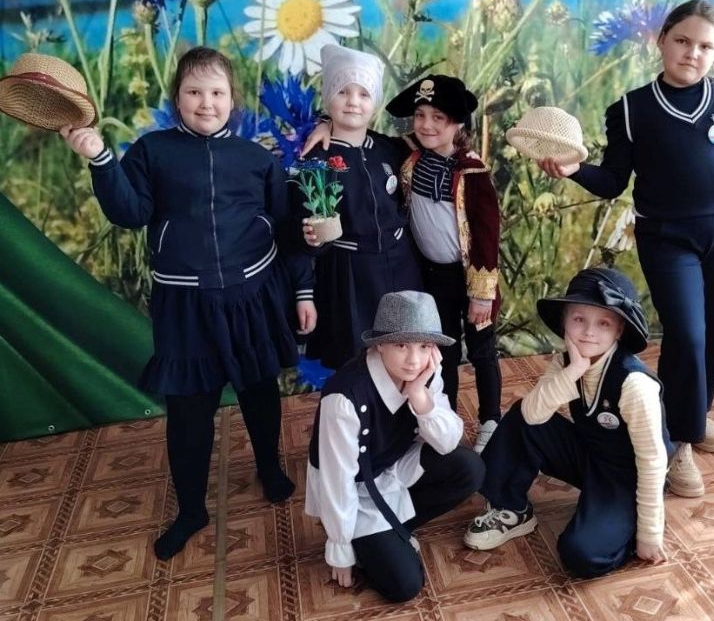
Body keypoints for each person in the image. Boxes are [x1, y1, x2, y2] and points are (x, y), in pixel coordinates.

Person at [61, 47, 317, 560]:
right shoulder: (152, 151)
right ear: (177, 97)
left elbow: (288, 231)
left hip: (251, 297)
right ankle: (192, 510)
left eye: (217, 92)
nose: (206, 103)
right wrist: (101, 160)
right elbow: (130, 213)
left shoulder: (257, 159)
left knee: (259, 391)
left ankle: (269, 468)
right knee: (188, 412)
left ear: (232, 99)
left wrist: (304, 291)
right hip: (184, 306)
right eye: (194, 92)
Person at [538, 0, 714, 497]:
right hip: (667, 238)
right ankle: (676, 442)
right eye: (683, 41)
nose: (693, 53)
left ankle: (693, 417)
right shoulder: (632, 109)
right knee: (687, 335)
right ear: (662, 40)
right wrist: (574, 170)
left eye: (706, 46)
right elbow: (613, 181)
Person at [464, 267, 672, 578]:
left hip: (626, 478)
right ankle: (512, 508)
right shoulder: (565, 363)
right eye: (578, 319)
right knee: (525, 413)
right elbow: (531, 415)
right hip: (589, 456)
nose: (588, 332)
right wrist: (573, 371)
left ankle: (621, 525)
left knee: (581, 554)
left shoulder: (634, 384)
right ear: (564, 322)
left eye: (603, 323)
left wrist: (649, 533)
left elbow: (652, 460)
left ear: (619, 330)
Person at [305, 290, 485, 602]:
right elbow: (337, 479)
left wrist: (420, 396)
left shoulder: (426, 374)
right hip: (354, 489)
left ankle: (396, 527)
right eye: (402, 345)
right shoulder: (345, 397)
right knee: (404, 585)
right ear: (379, 344)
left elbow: (447, 442)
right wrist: (340, 548)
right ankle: (368, 538)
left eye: (424, 346)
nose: (414, 359)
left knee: (470, 468)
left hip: (394, 465)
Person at [385, 76, 503, 453]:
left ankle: (491, 420)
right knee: (442, 352)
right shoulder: (410, 156)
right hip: (432, 279)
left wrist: (481, 295)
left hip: (470, 278)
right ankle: (444, 415)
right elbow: (368, 138)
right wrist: (327, 122)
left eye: (438, 117)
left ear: (457, 124)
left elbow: (486, 235)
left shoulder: (472, 172)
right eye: (420, 115)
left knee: (482, 350)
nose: (426, 125)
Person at [298, 43, 423, 371]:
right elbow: (305, 231)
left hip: (400, 266)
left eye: (364, 94)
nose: (353, 101)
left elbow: (437, 140)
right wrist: (311, 242)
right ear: (328, 97)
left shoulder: (391, 149)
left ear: (375, 102)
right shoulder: (316, 159)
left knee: (405, 353)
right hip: (349, 275)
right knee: (356, 362)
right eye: (342, 91)